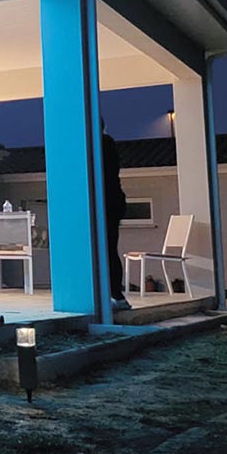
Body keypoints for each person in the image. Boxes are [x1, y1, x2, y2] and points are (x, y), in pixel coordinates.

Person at [102, 118, 131, 311]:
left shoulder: (104, 143)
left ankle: (116, 295)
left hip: (108, 203)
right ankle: (115, 295)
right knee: (109, 249)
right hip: (111, 202)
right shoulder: (107, 143)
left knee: (108, 249)